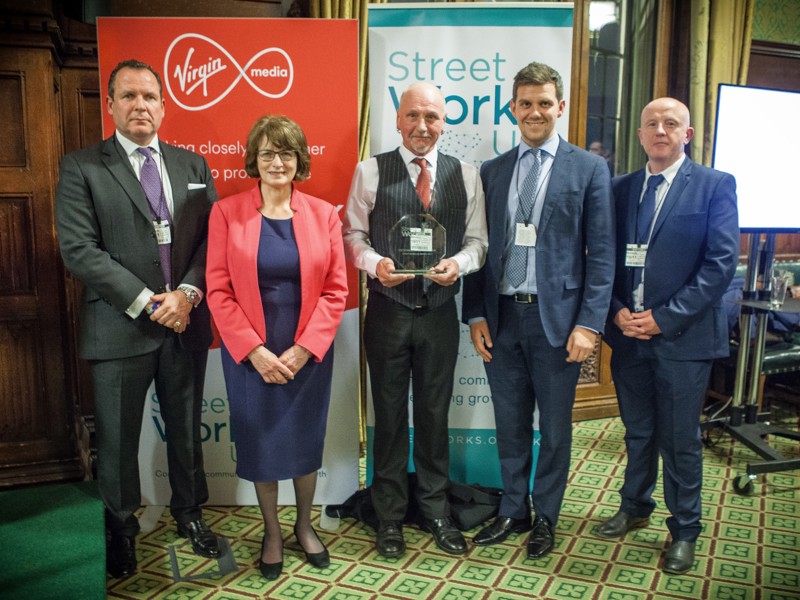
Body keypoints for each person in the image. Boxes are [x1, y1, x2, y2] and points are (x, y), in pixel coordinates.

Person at [55, 59, 220, 579]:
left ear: (164, 105)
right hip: (120, 327)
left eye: (149, 96)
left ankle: (190, 516)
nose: (140, 106)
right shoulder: (82, 166)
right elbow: (81, 250)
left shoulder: (192, 165)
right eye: (128, 96)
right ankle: (122, 529)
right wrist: (152, 301)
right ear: (111, 105)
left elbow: (211, 239)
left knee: (187, 433)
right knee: (119, 439)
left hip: (185, 322)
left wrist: (187, 294)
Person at [462, 62, 615, 560]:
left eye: (544, 103)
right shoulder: (493, 170)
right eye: (525, 103)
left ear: (560, 107)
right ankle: (513, 508)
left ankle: (546, 515)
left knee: (554, 428)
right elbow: (478, 249)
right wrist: (475, 315)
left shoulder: (588, 169)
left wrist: (590, 324)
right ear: (512, 108)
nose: (534, 112)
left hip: (559, 324)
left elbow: (603, 252)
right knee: (508, 423)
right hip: (502, 318)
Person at [592, 97, 738, 575]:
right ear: (639, 134)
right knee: (637, 432)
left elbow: (719, 266)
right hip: (629, 336)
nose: (660, 130)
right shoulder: (619, 188)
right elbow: (604, 260)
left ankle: (685, 530)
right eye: (651, 123)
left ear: (687, 135)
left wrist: (665, 317)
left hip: (683, 338)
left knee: (679, 439)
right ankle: (634, 506)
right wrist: (616, 314)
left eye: (671, 123)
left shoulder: (715, 186)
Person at [342, 82, 487, 558]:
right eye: (413, 116)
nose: (423, 126)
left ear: (444, 122)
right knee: (387, 419)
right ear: (398, 119)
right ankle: (388, 517)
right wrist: (373, 264)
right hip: (387, 309)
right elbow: (353, 235)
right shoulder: (369, 171)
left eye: (432, 117)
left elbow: (478, 243)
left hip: (440, 313)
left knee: (432, 416)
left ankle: (435, 511)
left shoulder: (466, 175)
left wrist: (458, 266)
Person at [206, 115, 348, 580]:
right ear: (254, 159)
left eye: (286, 152)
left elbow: (336, 290)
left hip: (308, 352)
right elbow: (218, 290)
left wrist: (305, 348)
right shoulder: (226, 214)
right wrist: (254, 351)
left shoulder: (325, 215)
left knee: (305, 442)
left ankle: (304, 526)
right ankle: (271, 531)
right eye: (267, 152)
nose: (276, 162)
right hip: (251, 355)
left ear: (299, 159)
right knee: (264, 445)